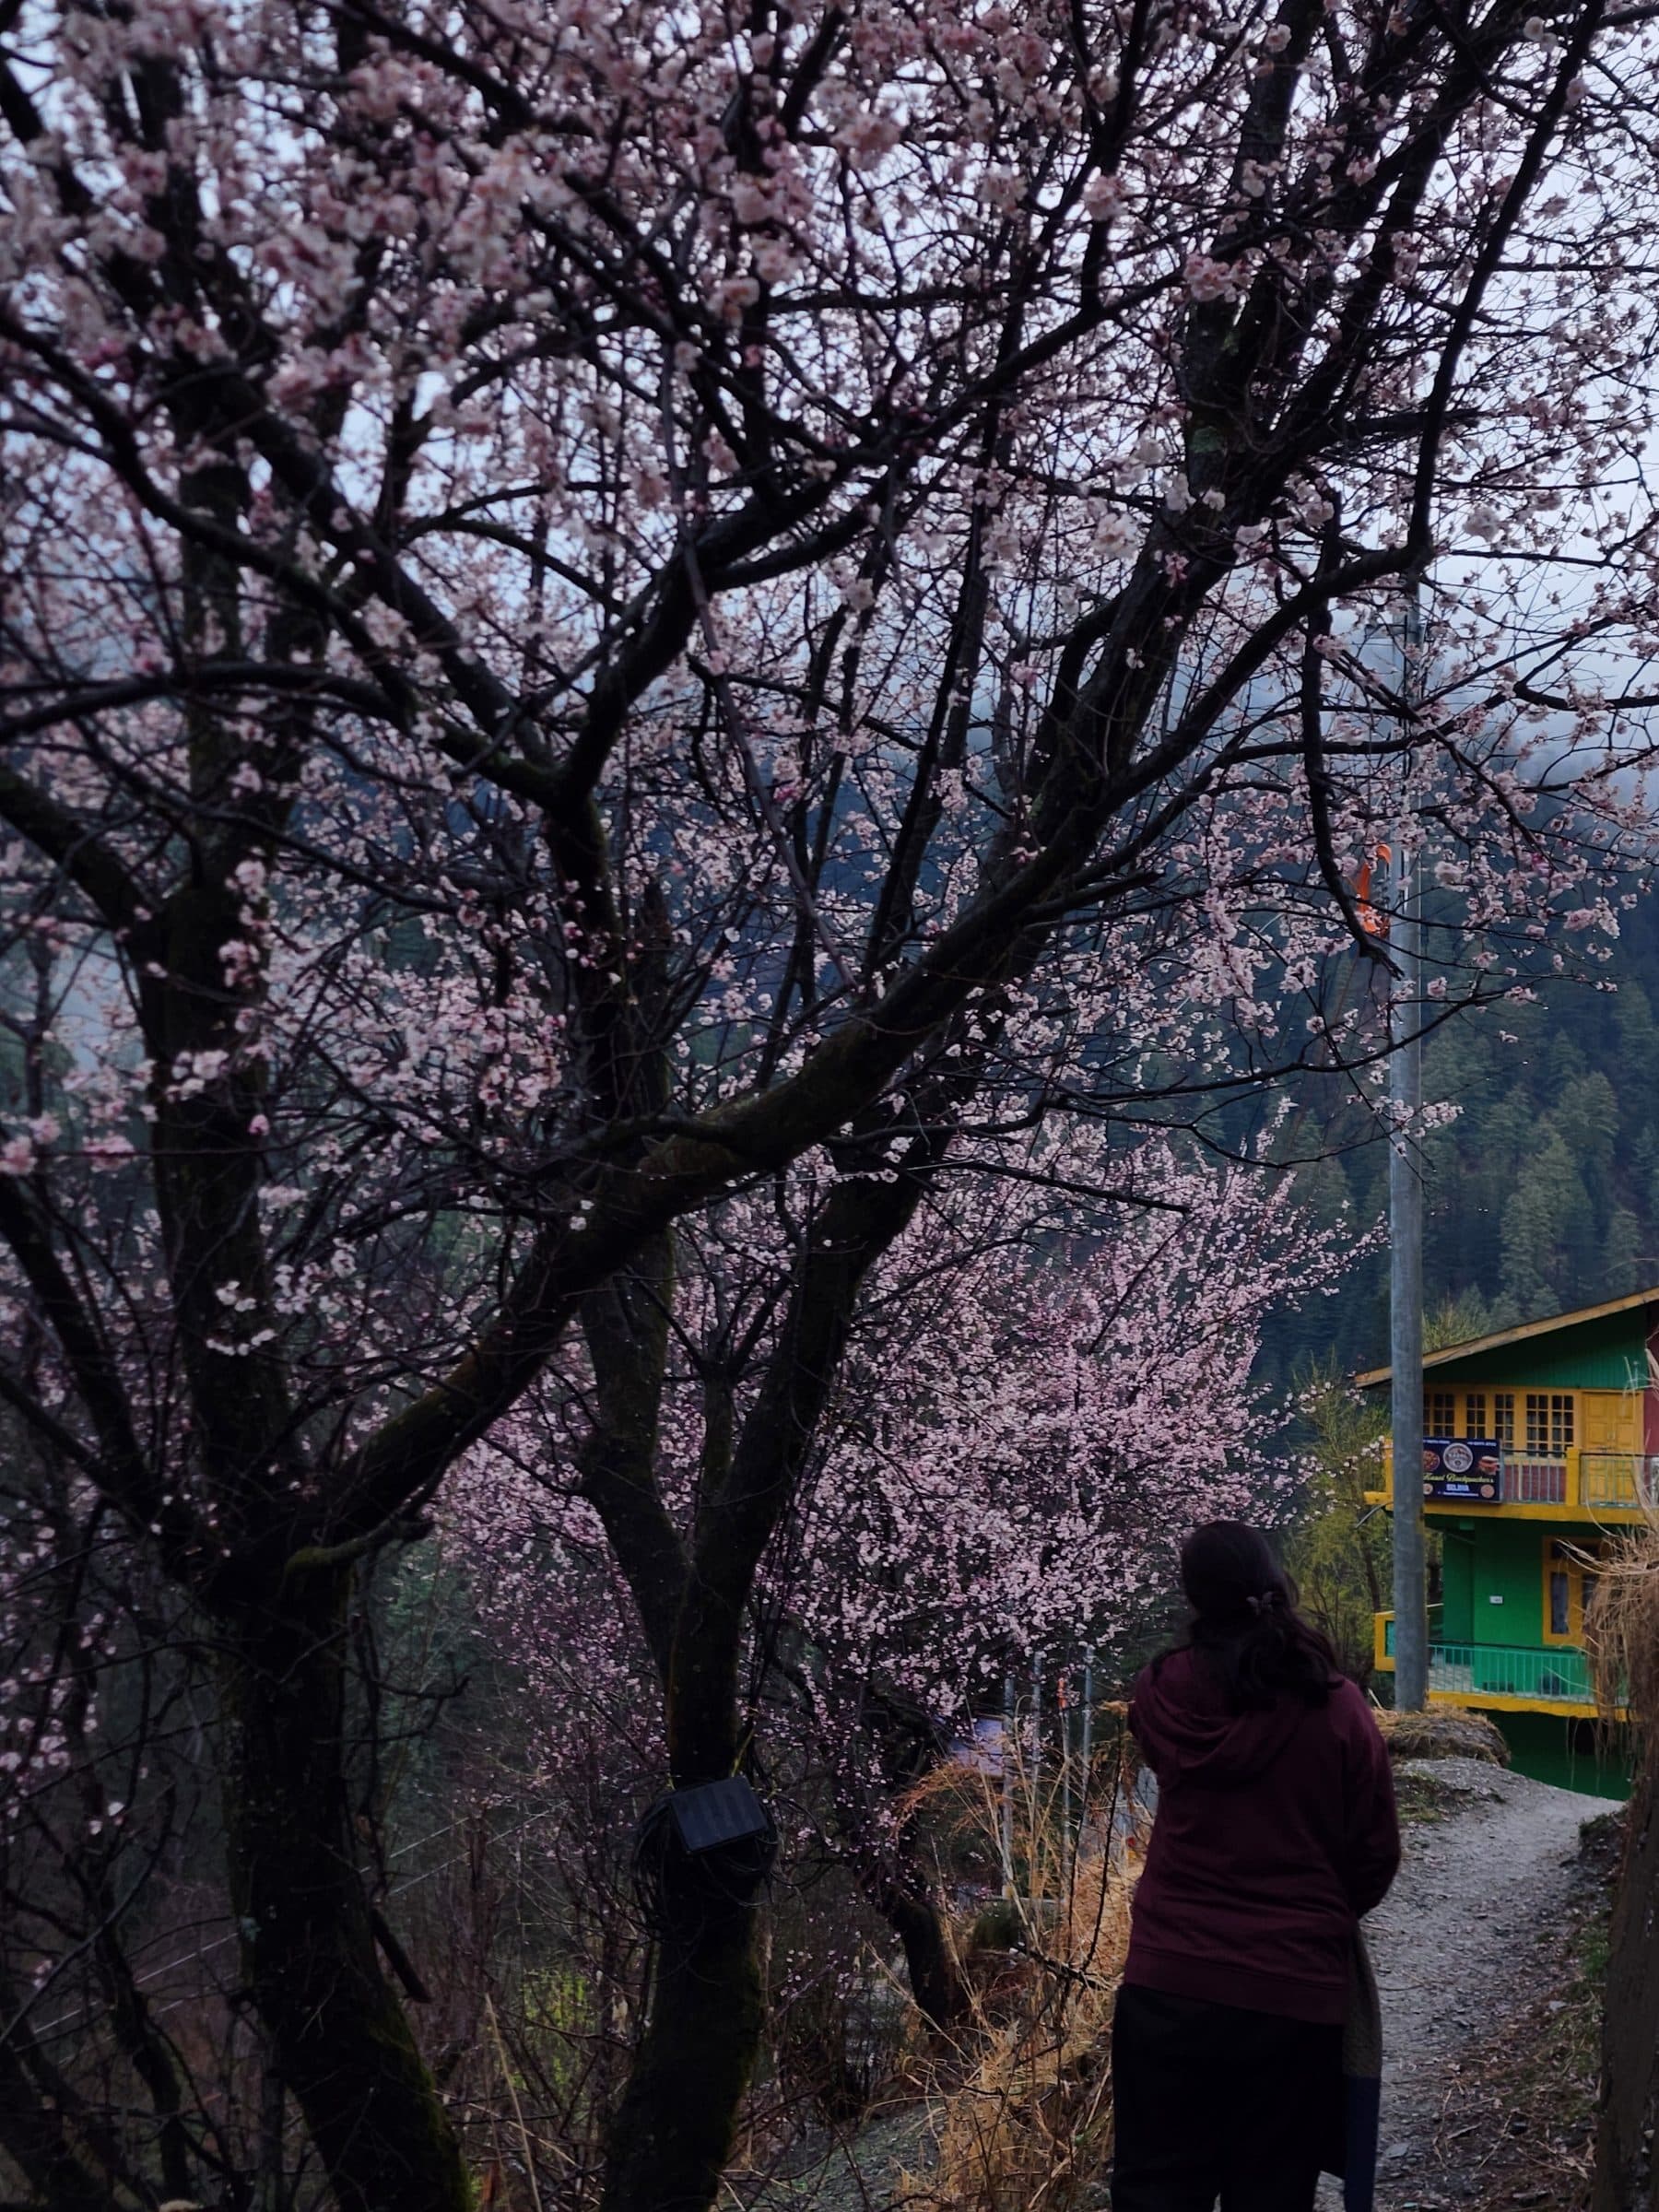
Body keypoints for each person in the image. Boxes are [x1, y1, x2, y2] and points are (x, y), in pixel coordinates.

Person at [1112, 1520, 1400, 2211]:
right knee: (1272, 2193)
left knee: (1153, 2190)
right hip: (1293, 1996)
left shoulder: (1162, 1693)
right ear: (1274, 1583)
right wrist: (1317, 1913)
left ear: (1194, 1598)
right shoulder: (1336, 1706)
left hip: (1167, 1982)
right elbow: (1375, 1853)